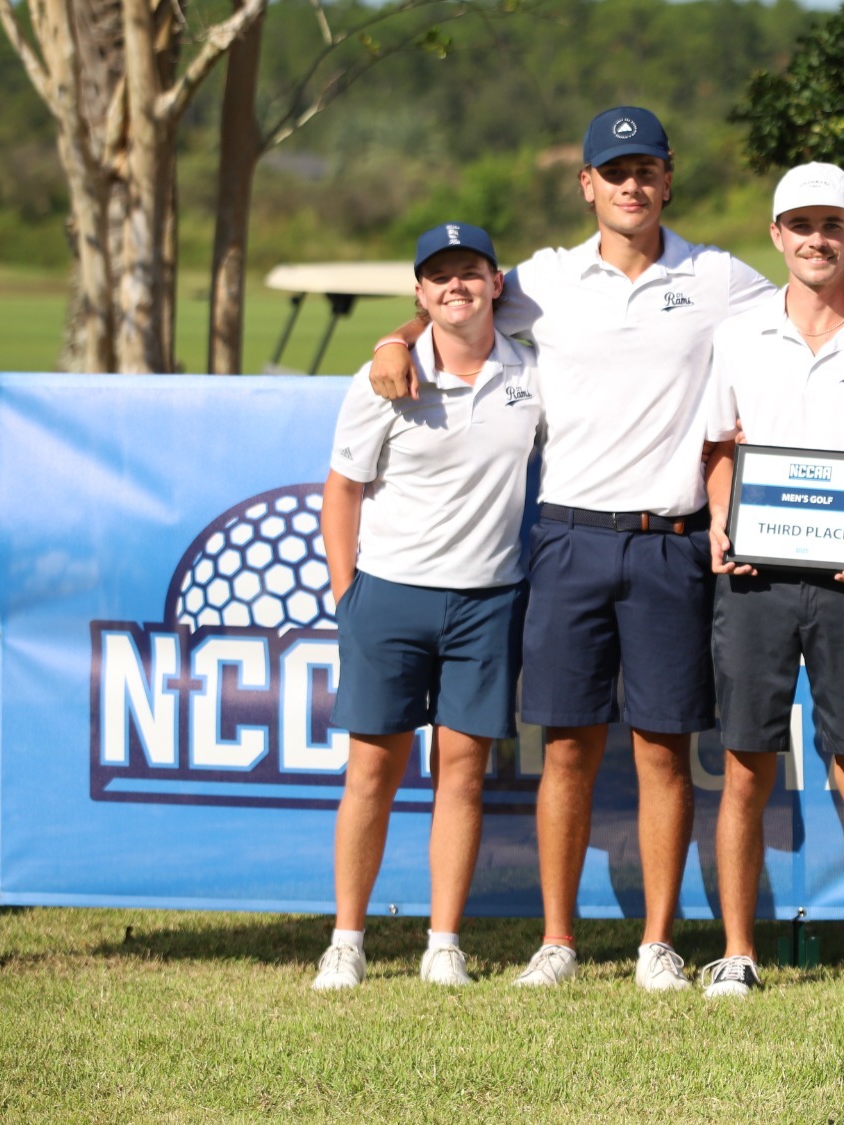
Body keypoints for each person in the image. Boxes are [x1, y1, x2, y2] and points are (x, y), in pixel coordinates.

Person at [362, 108, 844, 992]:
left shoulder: (719, 276)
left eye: (646, 169)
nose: (631, 185)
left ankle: (657, 941)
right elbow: (450, 296)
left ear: (668, 177)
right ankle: (558, 941)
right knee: (567, 747)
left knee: (661, 747)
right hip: (570, 534)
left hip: (672, 541)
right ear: (587, 184)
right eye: (615, 172)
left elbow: (818, 294)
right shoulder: (542, 280)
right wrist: (393, 337)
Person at [695, 164, 844, 1001]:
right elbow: (718, 446)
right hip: (754, 579)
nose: (816, 240)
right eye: (800, 225)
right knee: (745, 768)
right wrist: (724, 517)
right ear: (776, 236)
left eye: (832, 225)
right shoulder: (738, 334)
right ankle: (737, 952)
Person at [311, 222, 539, 990]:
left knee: (462, 774)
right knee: (371, 774)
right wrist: (349, 597)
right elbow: (341, 490)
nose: (455, 286)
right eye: (438, 276)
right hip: (390, 594)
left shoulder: (531, 370)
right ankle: (347, 938)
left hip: (488, 597)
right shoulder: (383, 375)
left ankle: (444, 942)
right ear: (419, 291)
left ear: (495, 282)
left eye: (469, 271)